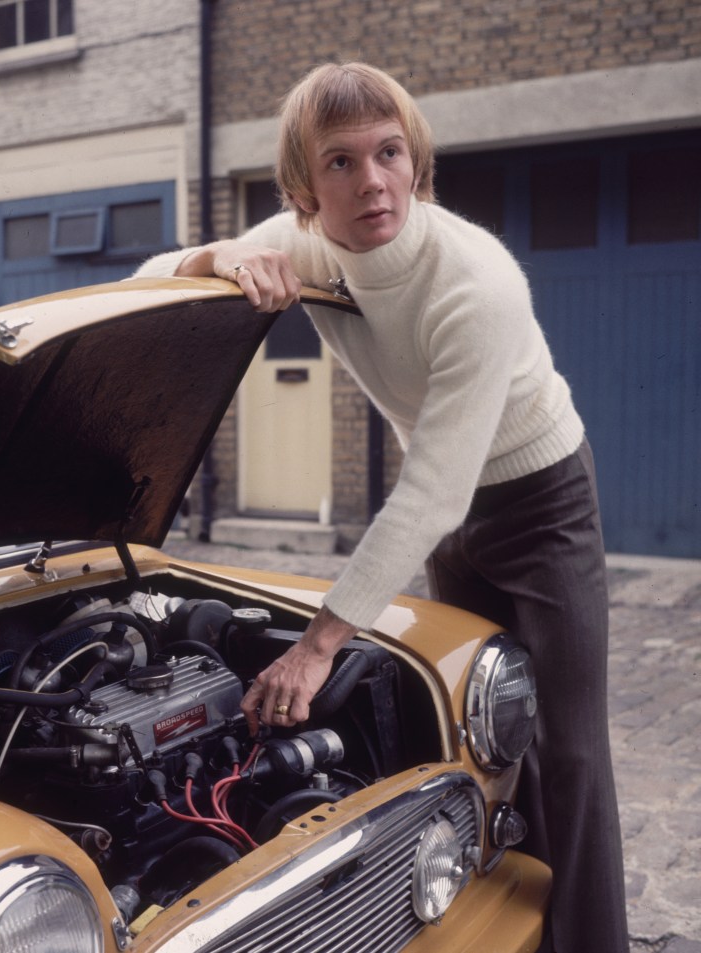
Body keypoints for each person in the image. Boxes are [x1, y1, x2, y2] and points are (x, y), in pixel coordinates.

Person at [135, 62, 628, 952]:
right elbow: (151, 277)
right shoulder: (312, 244)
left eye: (389, 154)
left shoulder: (477, 283)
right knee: (477, 735)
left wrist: (319, 646)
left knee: (572, 752)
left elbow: (433, 489)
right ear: (302, 188)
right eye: (342, 162)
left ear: (415, 162)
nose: (372, 182)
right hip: (456, 514)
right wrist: (220, 257)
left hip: (541, 499)